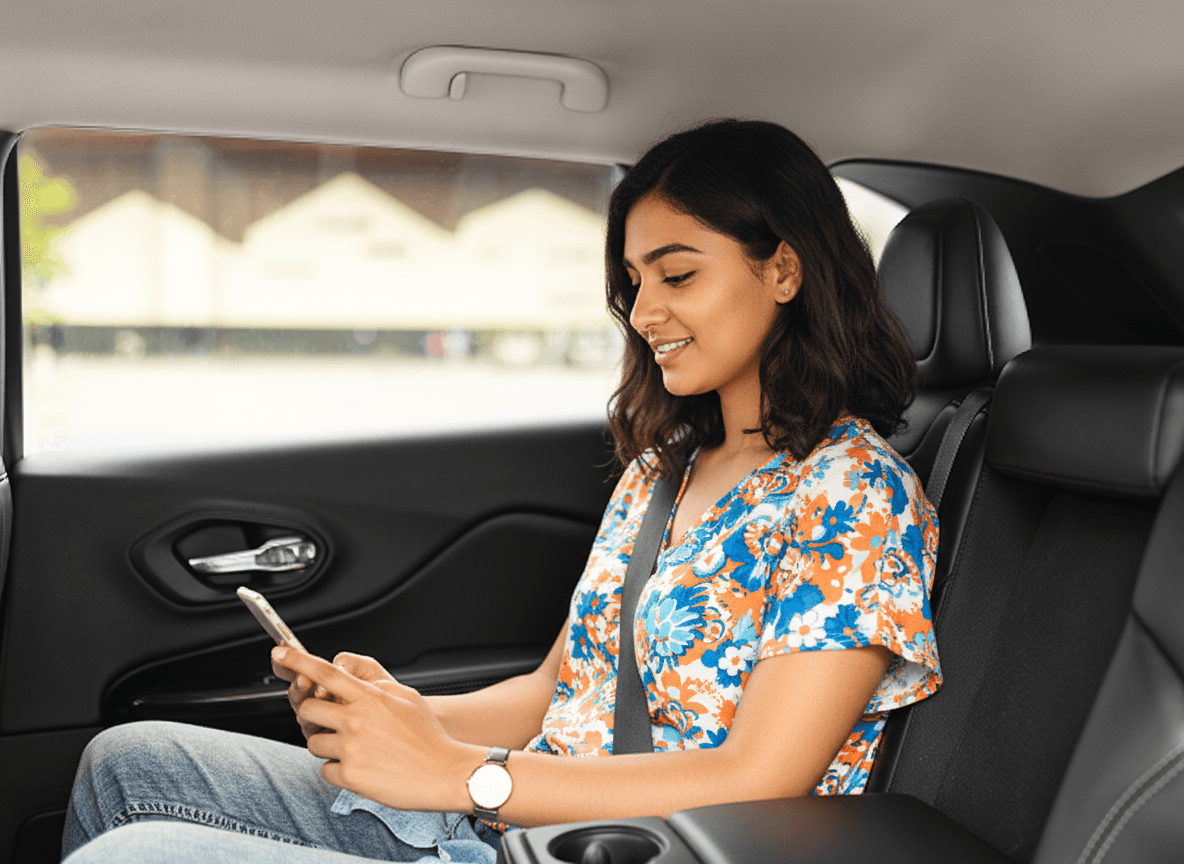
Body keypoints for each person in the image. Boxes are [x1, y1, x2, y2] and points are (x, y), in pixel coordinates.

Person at [60, 119, 941, 864]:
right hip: (507, 823)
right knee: (124, 764)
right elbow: (554, 690)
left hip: (629, 844)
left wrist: (462, 775)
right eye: (633, 284)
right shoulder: (662, 471)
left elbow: (760, 778)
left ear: (783, 271)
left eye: (678, 276)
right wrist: (403, 718)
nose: (642, 314)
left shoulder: (856, 498)